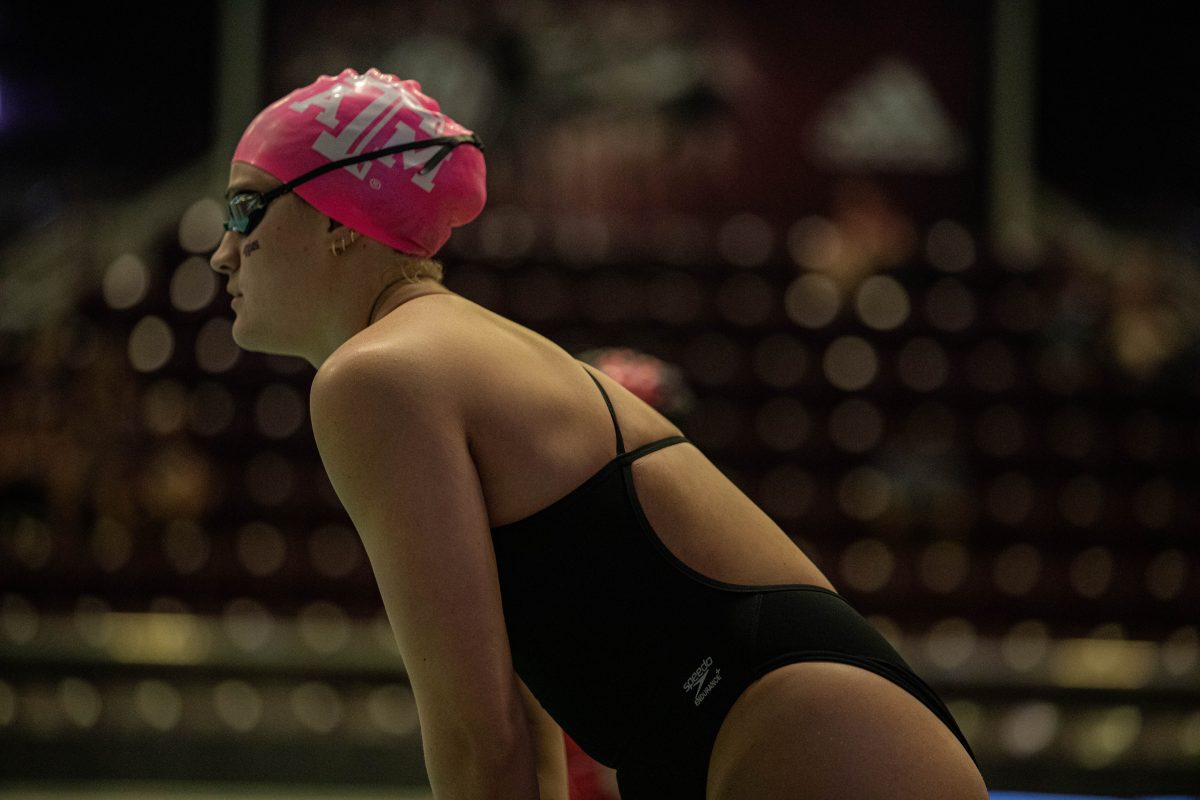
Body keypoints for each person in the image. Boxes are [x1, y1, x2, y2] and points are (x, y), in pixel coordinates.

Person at [209, 68, 989, 799]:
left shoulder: (376, 377)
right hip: (814, 728)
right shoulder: (445, 351)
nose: (221, 253)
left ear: (339, 217)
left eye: (245, 208)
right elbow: (520, 721)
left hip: (803, 736)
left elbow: (478, 740)